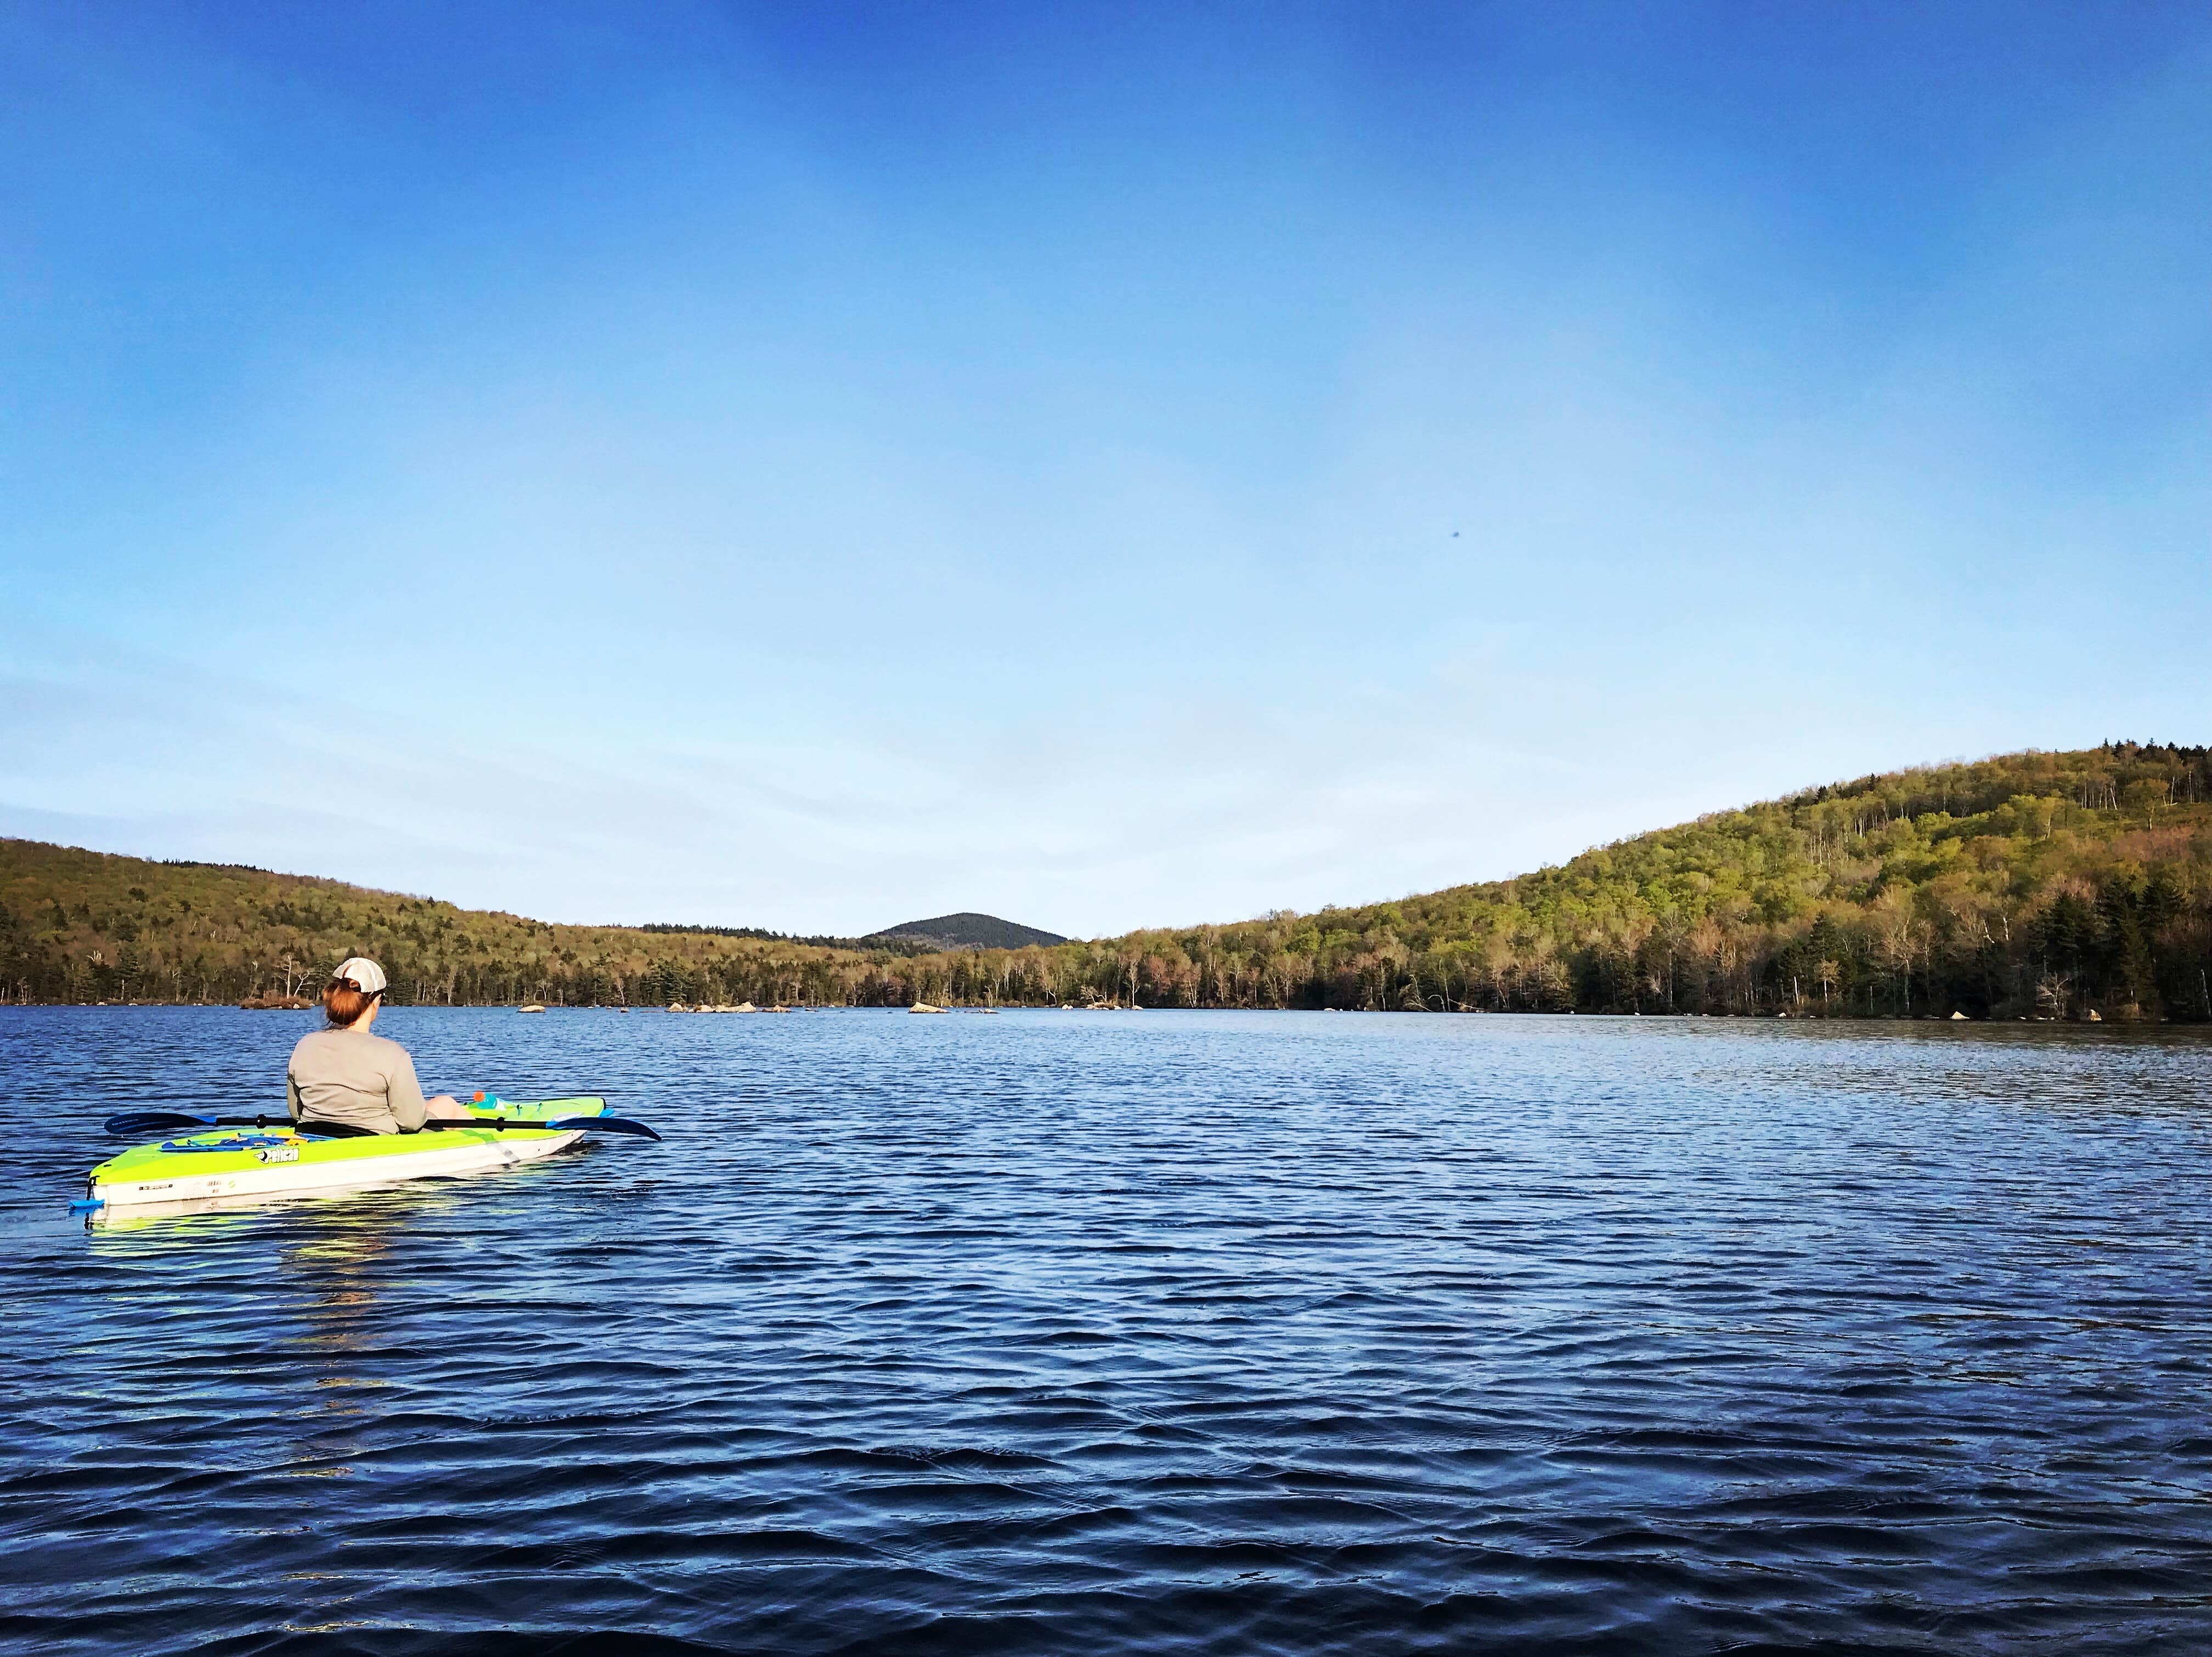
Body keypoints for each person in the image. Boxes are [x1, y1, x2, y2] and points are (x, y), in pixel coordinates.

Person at [287, 957, 470, 1134]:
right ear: (376, 1001)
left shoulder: (304, 1046)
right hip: (377, 1142)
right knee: (447, 1105)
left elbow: (296, 1113)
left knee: (441, 1104)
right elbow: (412, 1123)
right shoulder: (393, 1055)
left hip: (314, 1135)